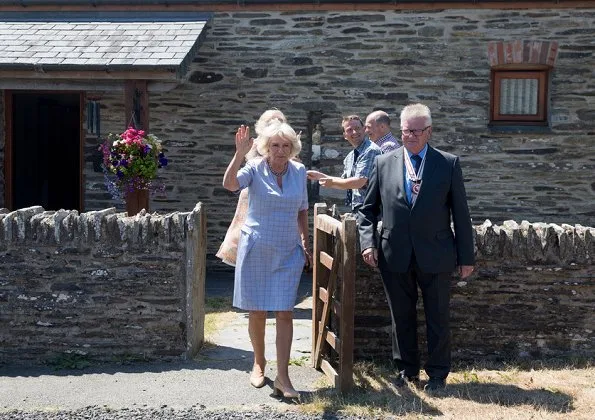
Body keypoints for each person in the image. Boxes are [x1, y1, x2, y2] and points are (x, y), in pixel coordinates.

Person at [357, 103, 475, 392]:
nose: (410, 136)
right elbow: (366, 209)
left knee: (438, 318)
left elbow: (461, 214)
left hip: (436, 254)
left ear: (429, 131)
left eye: (417, 131)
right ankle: (406, 371)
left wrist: (466, 257)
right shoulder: (384, 163)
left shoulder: (447, 163)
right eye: (406, 130)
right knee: (401, 317)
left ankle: (437, 374)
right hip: (393, 254)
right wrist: (367, 242)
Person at [222, 120, 311, 400]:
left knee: (285, 312)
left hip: (288, 251)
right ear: (265, 147)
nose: (281, 150)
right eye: (275, 145)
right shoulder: (255, 169)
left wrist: (305, 242)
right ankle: (258, 362)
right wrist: (239, 153)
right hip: (257, 248)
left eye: (286, 145)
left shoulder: (299, 171)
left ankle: (283, 378)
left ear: (293, 148)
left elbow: (302, 211)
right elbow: (230, 184)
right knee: (258, 310)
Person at [216, 109, 287, 266]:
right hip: (253, 206)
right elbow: (231, 183)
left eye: (280, 121)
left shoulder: (289, 152)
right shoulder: (254, 150)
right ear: (262, 126)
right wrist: (239, 154)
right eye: (271, 122)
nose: (276, 125)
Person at [307, 115, 381, 213]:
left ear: (364, 130)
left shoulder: (371, 150)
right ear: (345, 135)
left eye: (357, 128)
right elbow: (345, 182)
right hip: (358, 209)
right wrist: (320, 176)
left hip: (372, 209)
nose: (354, 132)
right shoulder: (350, 157)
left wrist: (331, 182)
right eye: (350, 130)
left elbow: (359, 182)